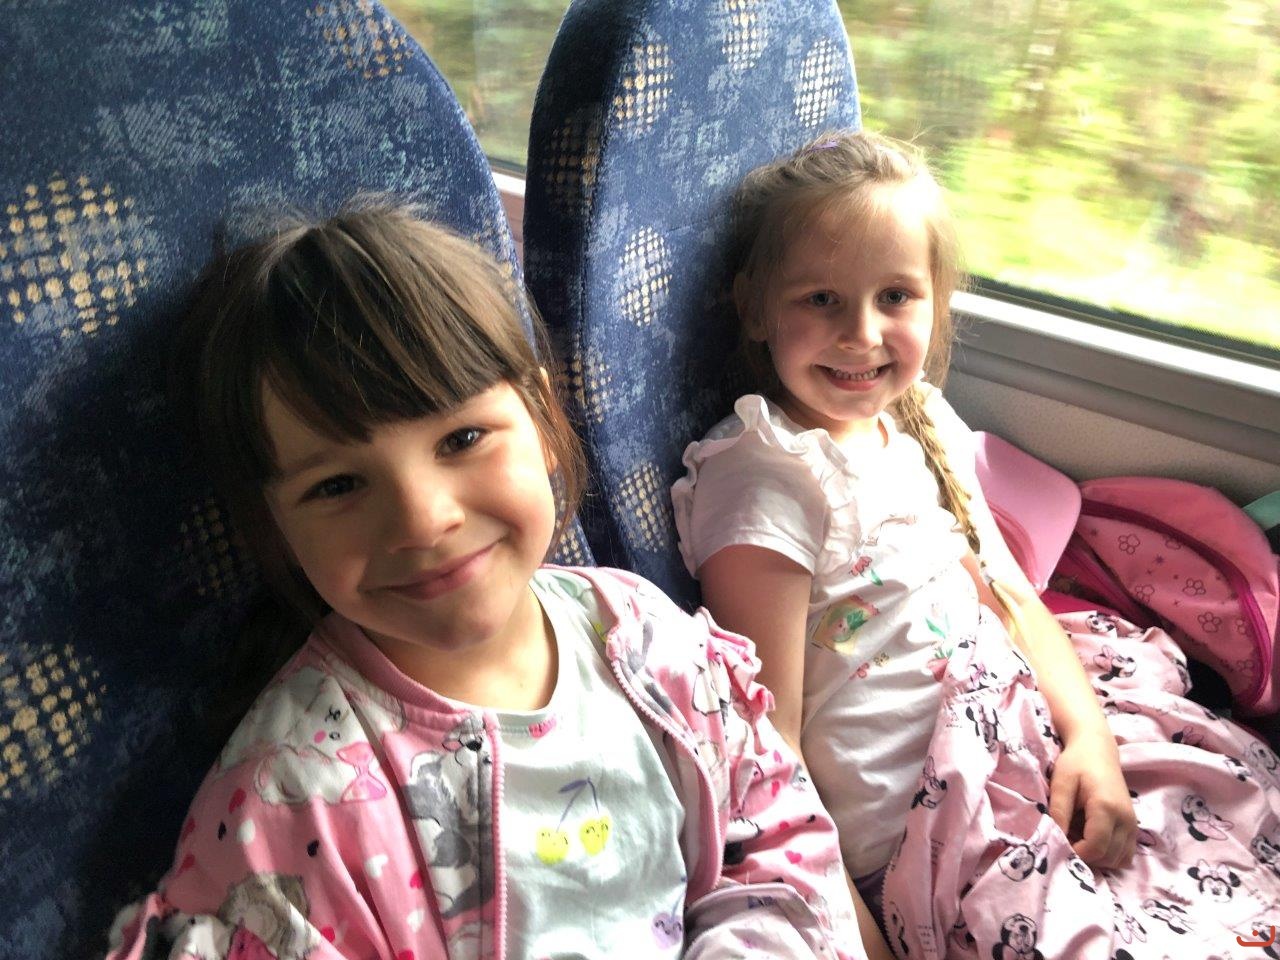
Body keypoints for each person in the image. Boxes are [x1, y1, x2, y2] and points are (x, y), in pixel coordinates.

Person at [104, 205, 865, 960]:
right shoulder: (292, 806)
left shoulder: (640, 634)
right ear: (274, 527)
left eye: (462, 438)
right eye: (338, 485)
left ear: (542, 417)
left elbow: (772, 842)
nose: (423, 520)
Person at [671, 132, 1144, 947]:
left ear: (936, 302)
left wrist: (1091, 742)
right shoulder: (766, 477)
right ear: (754, 308)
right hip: (922, 846)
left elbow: (1008, 595)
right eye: (821, 299)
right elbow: (769, 753)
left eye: (895, 296)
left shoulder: (919, 418)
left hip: (1013, 749)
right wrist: (862, 942)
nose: (861, 333)